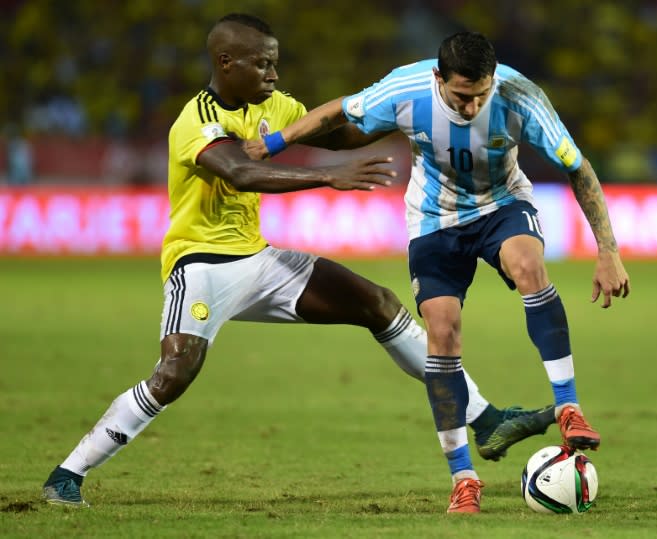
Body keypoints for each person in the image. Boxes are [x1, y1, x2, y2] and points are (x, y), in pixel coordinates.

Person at [41, 15, 554, 508]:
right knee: (176, 372)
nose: (274, 74)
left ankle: (484, 419)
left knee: (378, 305)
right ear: (226, 62)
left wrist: (409, 119)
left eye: (275, 63)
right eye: (263, 64)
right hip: (199, 265)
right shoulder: (196, 121)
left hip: (258, 260)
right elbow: (240, 172)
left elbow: (337, 133)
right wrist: (328, 177)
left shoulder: (278, 106)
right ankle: (68, 474)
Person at [247, 31, 631, 513]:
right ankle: (463, 478)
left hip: (502, 205)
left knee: (528, 265)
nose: (472, 108)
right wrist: (275, 143)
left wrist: (608, 250)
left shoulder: (519, 95)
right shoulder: (406, 88)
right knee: (442, 334)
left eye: (480, 95)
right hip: (433, 221)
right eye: (461, 97)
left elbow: (578, 167)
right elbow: (340, 111)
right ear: (438, 78)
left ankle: (569, 407)